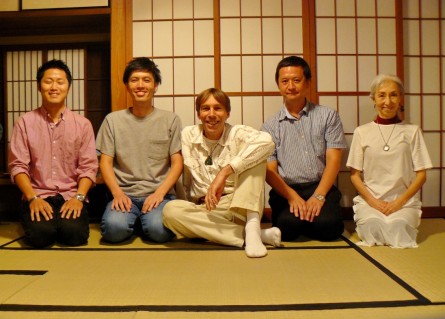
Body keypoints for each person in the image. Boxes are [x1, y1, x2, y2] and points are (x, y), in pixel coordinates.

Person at [163, 88, 281, 258]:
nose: (211, 114)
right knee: (170, 211)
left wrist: (224, 172)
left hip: (239, 206)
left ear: (227, 113)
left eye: (218, 108)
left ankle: (253, 225)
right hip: (207, 210)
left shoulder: (237, 133)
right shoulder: (189, 135)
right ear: (198, 114)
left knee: (257, 158)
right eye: (205, 108)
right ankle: (255, 235)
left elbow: (267, 142)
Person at [8, 59, 98, 248]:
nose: (54, 87)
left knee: (74, 236)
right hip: (37, 193)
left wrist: (79, 198)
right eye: (48, 81)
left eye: (60, 82)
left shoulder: (82, 125)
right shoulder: (25, 122)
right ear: (39, 87)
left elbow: (89, 167)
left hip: (71, 195)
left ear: (68, 86)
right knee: (41, 237)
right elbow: (18, 166)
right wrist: (33, 198)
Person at [96, 57, 182, 243]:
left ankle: (142, 221)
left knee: (159, 232)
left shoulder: (171, 120)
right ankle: (134, 220)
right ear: (127, 85)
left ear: (156, 85)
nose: (140, 85)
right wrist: (117, 193)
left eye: (146, 80)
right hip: (123, 193)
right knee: (114, 231)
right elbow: (105, 161)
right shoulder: (113, 120)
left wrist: (159, 193)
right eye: (134, 80)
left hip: (159, 195)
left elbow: (177, 162)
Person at [261, 56, 346, 242]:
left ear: (307, 82)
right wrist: (292, 196)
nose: (290, 86)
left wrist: (319, 196)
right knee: (287, 229)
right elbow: (270, 171)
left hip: (320, 185)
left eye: (296, 80)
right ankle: (305, 220)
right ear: (278, 85)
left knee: (329, 228)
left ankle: (314, 220)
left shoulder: (328, 116)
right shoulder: (269, 126)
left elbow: (334, 160)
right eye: (285, 81)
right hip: (286, 190)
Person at [346, 74, 432, 248]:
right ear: (373, 99)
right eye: (382, 95)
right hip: (371, 200)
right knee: (372, 226)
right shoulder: (362, 132)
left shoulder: (412, 131)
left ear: (400, 98)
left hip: (403, 201)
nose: (388, 101)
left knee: (398, 227)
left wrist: (398, 202)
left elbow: (421, 174)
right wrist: (373, 202)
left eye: (393, 95)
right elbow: (354, 175)